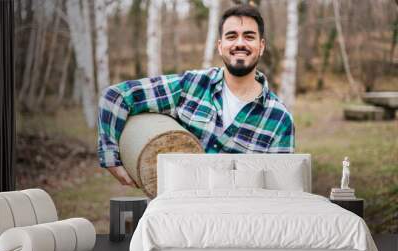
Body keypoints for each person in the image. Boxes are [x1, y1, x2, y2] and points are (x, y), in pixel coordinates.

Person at [97, 4, 295, 187]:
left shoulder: (279, 120)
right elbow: (116, 96)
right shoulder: (191, 86)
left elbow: (279, 193)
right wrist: (111, 160)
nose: (240, 43)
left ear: (261, 46)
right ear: (220, 45)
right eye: (232, 36)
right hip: (177, 216)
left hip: (236, 220)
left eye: (249, 36)